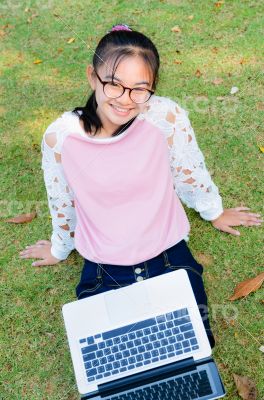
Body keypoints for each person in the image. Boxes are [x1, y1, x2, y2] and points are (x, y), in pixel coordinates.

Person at [19, 24, 262, 348]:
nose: (125, 99)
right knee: (115, 356)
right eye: (114, 84)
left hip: (168, 252)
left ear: (152, 89)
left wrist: (214, 212)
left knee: (192, 345)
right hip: (104, 264)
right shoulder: (62, 137)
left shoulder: (165, 116)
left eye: (139, 88)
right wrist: (59, 247)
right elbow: (61, 198)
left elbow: (188, 169)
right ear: (93, 77)